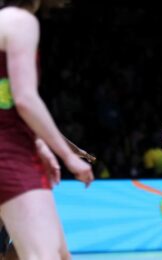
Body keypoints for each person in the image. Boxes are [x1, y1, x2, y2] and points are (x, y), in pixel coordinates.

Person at [0, 0, 94, 259]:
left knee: (59, 253)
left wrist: (41, 146)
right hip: (10, 155)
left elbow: (6, 102)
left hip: (17, 148)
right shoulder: (20, 21)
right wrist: (68, 156)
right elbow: (25, 100)